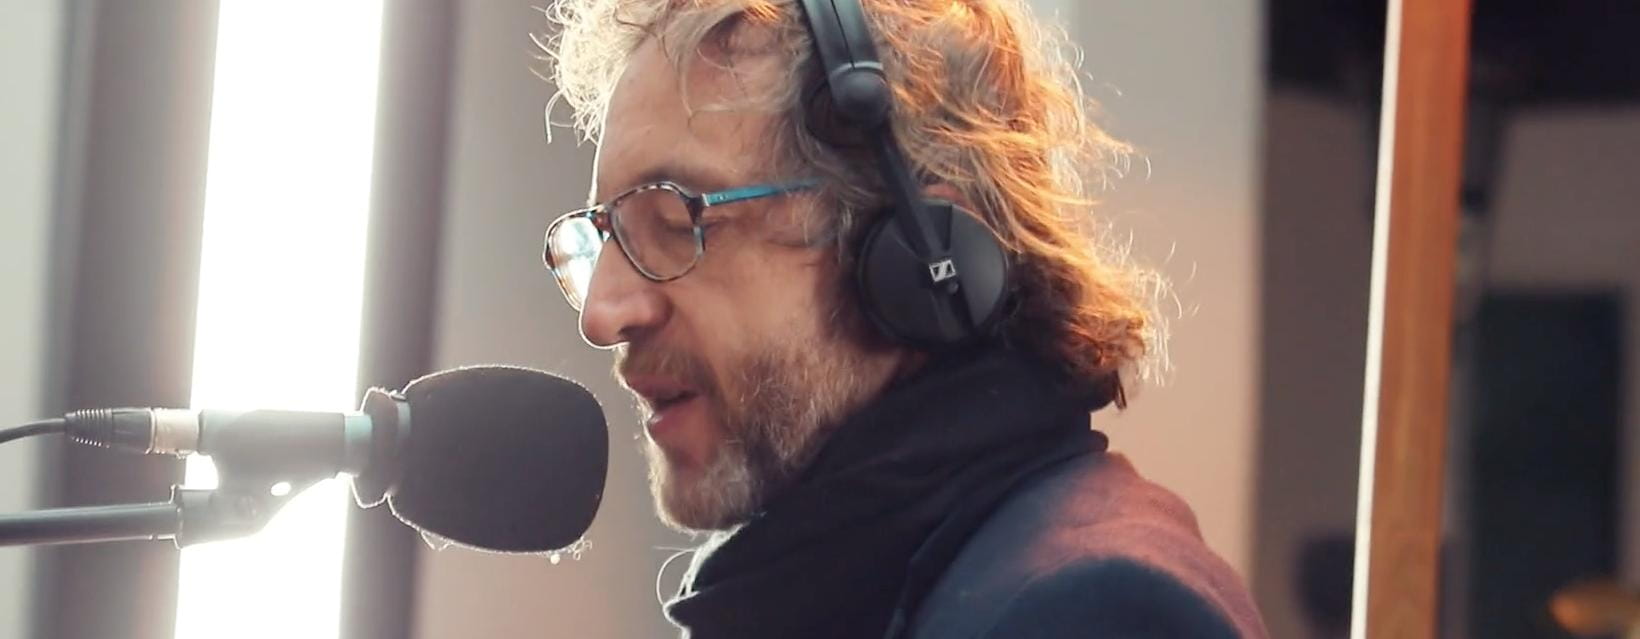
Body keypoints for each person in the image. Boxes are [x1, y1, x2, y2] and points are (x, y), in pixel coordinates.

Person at [540, 0, 1269, 636]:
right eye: (607, 235)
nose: (603, 313)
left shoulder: (1093, 611)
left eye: (677, 221)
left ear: (920, 260)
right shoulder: (841, 591)